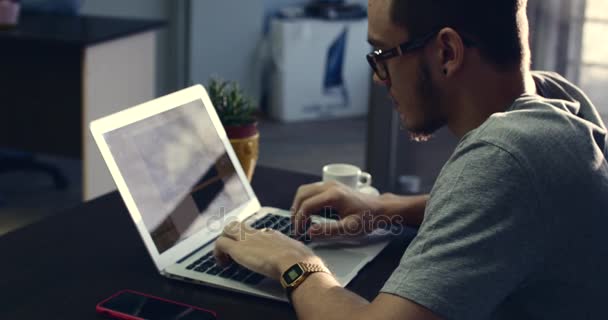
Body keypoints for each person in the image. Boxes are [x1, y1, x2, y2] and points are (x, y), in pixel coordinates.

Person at [214, 0, 608, 319]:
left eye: (383, 53)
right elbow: (512, 212)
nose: (377, 77)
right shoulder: (555, 100)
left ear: (447, 52)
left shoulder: (508, 155)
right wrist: (389, 208)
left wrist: (294, 261)